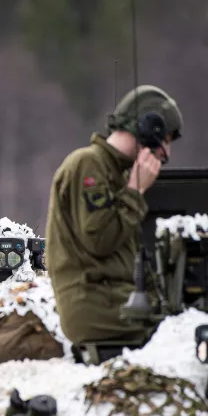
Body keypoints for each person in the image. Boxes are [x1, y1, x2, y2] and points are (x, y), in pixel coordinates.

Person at [45, 85, 183, 347]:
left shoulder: (118, 173)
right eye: (165, 141)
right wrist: (135, 191)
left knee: (187, 321)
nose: (167, 153)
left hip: (117, 300)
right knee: (182, 334)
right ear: (148, 131)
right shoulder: (88, 164)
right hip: (96, 305)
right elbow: (99, 239)